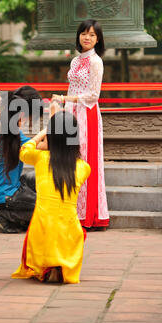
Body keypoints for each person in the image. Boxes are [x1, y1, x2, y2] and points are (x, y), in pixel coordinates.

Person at [12, 109, 91, 284]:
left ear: (50, 137)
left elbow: (24, 150)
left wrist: (42, 134)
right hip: (70, 232)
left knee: (42, 225)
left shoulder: (40, 157)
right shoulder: (84, 168)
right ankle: (60, 264)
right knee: (67, 228)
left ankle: (47, 264)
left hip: (43, 228)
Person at [52, 19, 109, 231]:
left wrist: (67, 100)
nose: (87, 38)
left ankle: (90, 215)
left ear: (98, 39)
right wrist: (64, 106)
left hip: (87, 113)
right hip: (70, 112)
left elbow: (94, 95)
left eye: (92, 35)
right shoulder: (75, 61)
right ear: (78, 35)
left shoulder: (96, 62)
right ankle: (72, 212)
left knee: (85, 160)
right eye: (84, 33)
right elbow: (72, 87)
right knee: (69, 158)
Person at [0, 86, 44, 233]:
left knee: (37, 179)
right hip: (4, 196)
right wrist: (50, 128)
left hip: (11, 189)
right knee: (45, 209)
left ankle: (15, 218)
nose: (29, 121)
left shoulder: (11, 134)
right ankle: (3, 215)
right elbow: (42, 145)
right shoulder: (8, 136)